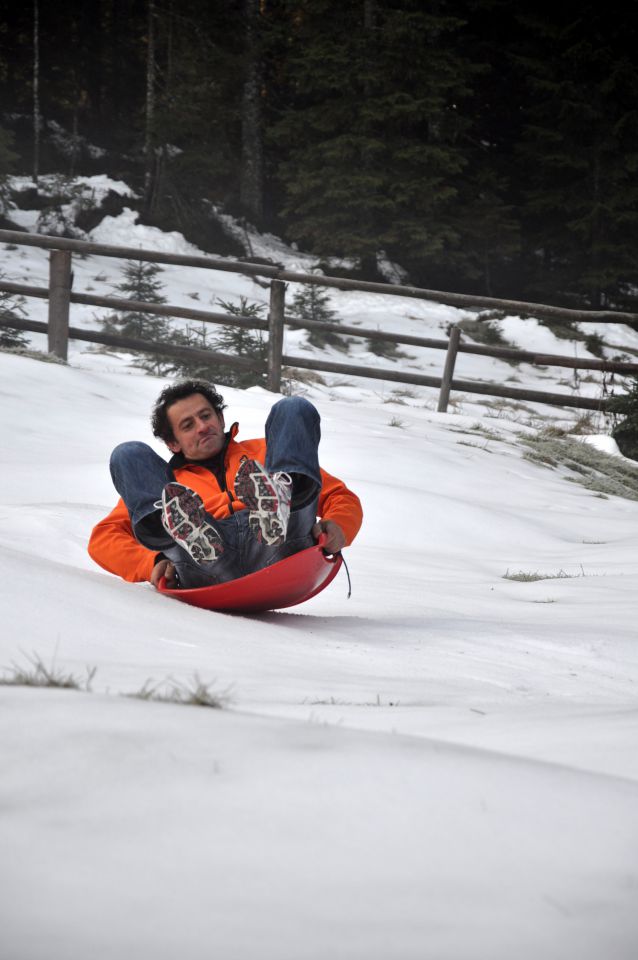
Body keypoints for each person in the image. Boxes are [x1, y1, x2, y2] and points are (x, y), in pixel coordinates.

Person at [88, 379, 363, 591]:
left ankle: (273, 504)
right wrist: (152, 563)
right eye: (187, 425)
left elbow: (339, 497)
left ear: (220, 419)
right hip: (202, 562)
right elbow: (104, 537)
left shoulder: (269, 453)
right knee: (128, 453)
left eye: (206, 416)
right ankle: (192, 531)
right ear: (173, 444)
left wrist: (338, 525)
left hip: (283, 544)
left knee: (293, 408)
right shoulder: (168, 487)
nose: (202, 427)